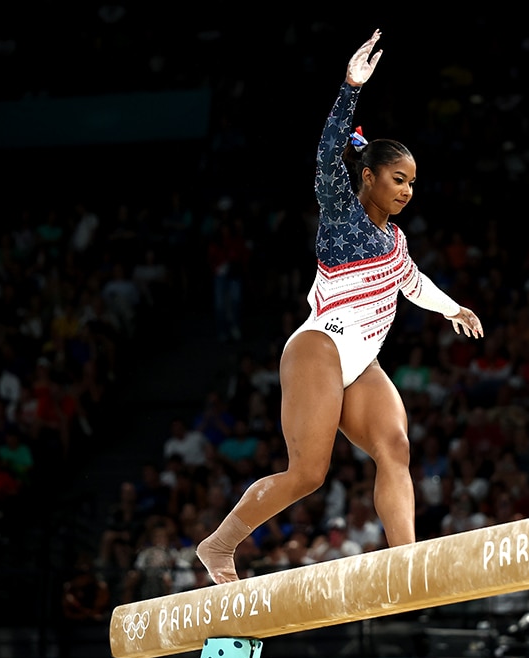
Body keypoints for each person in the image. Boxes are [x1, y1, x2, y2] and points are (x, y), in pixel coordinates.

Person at [197, 30, 483, 584]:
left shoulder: (395, 242)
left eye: (413, 184)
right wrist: (351, 88)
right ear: (369, 176)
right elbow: (330, 151)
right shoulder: (341, 221)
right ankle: (219, 545)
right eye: (398, 180)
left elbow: (413, 283)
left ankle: (406, 566)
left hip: (362, 364)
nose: (406, 191)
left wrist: (454, 308)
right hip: (319, 348)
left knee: (395, 446)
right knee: (308, 473)